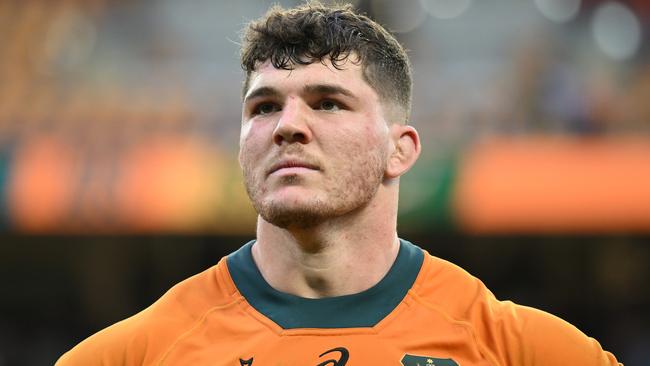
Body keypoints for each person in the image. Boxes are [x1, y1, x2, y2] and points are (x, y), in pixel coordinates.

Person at [57, 2, 621, 365]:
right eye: (264, 107)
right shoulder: (134, 355)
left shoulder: (518, 349)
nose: (288, 127)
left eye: (328, 102)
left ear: (399, 151)